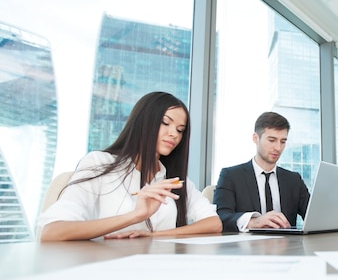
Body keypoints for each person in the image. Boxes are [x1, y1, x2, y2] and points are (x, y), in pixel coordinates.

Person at [38, 92, 222, 241]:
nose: (173, 133)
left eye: (180, 130)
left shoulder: (172, 179)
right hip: (104, 268)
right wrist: (136, 215)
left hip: (159, 271)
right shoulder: (99, 163)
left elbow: (213, 223)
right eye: (165, 123)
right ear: (143, 122)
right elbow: (52, 232)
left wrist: (154, 236)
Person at [213, 111, 310, 232]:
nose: (278, 148)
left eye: (283, 141)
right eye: (272, 140)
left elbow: (313, 216)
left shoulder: (293, 180)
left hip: (287, 246)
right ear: (255, 138)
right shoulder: (231, 176)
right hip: (246, 248)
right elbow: (220, 217)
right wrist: (253, 222)